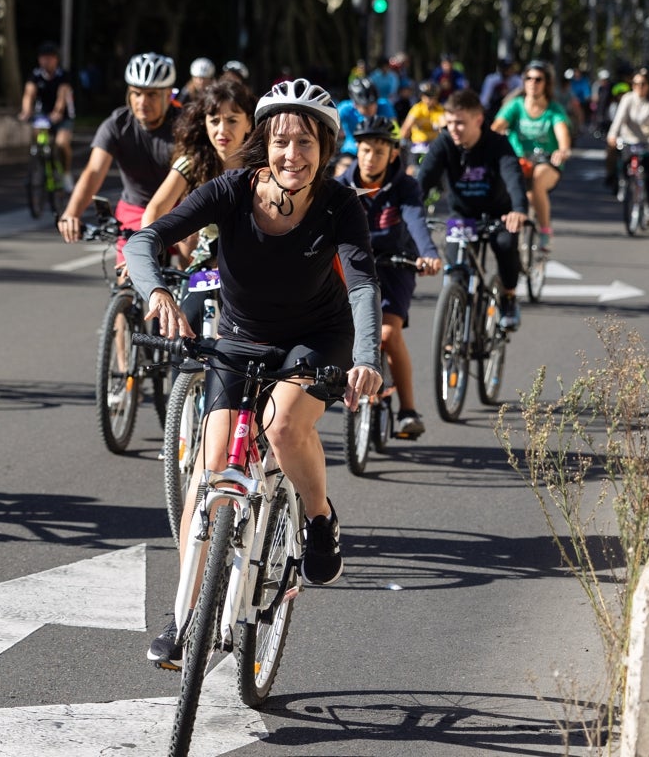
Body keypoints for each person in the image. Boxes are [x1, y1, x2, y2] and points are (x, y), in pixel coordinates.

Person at [124, 79, 383, 667]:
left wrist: (365, 359)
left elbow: (363, 286)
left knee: (284, 425)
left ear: (327, 147)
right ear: (265, 143)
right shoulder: (231, 190)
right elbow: (147, 238)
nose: (294, 154)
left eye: (308, 142)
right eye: (283, 141)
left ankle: (319, 519)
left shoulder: (342, 205)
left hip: (317, 339)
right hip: (239, 340)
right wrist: (157, 292)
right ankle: (185, 613)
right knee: (210, 471)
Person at [335, 115, 441, 438]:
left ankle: (408, 410)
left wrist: (429, 254)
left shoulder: (405, 186)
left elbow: (416, 221)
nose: (371, 158)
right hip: (353, 267)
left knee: (386, 333)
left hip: (397, 266)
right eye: (366, 150)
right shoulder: (340, 185)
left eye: (379, 151)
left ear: (393, 154)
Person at [141, 80, 256, 330]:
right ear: (204, 123)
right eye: (214, 120)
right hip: (205, 270)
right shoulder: (192, 162)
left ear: (249, 122)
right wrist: (143, 256)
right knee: (183, 336)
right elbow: (155, 209)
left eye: (232, 120)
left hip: (253, 270)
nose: (222, 130)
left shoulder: (264, 166)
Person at [415, 89, 528, 331]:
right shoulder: (444, 142)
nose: (453, 128)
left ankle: (508, 298)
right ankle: (455, 329)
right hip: (462, 217)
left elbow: (513, 176)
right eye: (450, 122)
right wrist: (409, 212)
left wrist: (518, 209)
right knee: (456, 270)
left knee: (506, 245)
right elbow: (421, 182)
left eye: (460, 123)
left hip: (499, 214)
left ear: (478, 120)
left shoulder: (498, 144)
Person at [56, 53, 179, 258]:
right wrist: (72, 213)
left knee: (192, 269)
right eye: (136, 93)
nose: (142, 101)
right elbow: (94, 171)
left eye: (152, 95)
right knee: (127, 277)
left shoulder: (184, 126)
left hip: (179, 209)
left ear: (168, 95)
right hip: (135, 210)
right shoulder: (116, 125)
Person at [491, 60, 572, 250]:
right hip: (518, 162)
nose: (533, 83)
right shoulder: (515, 106)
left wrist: (562, 151)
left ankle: (545, 232)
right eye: (528, 78)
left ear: (546, 83)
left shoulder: (554, 110)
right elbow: (496, 127)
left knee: (537, 180)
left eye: (538, 79)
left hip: (547, 162)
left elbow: (563, 136)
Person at [607, 67, 649, 224]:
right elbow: (618, 119)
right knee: (619, 159)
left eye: (643, 84)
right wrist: (612, 135)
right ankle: (621, 183)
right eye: (636, 83)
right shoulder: (627, 98)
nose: (639, 87)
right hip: (630, 140)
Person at [18, 41, 76, 190]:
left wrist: (57, 112)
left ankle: (66, 173)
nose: (46, 61)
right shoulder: (35, 75)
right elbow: (29, 94)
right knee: (36, 135)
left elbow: (62, 96)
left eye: (50, 58)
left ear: (56, 59)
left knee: (62, 143)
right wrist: (26, 111)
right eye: (43, 58)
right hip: (43, 113)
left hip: (63, 115)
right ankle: (38, 166)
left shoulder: (63, 75)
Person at [334, 76, 381, 176]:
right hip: (351, 151)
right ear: (355, 104)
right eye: (366, 107)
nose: (371, 109)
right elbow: (328, 127)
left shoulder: (385, 107)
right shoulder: (345, 109)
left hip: (378, 152)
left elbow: (395, 132)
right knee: (342, 172)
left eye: (373, 104)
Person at [399, 80, 446, 175]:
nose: (429, 99)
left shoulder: (440, 109)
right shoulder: (417, 109)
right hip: (417, 144)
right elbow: (406, 127)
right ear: (422, 96)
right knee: (411, 170)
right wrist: (401, 142)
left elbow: (443, 127)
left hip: (434, 144)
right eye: (427, 96)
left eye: (432, 96)